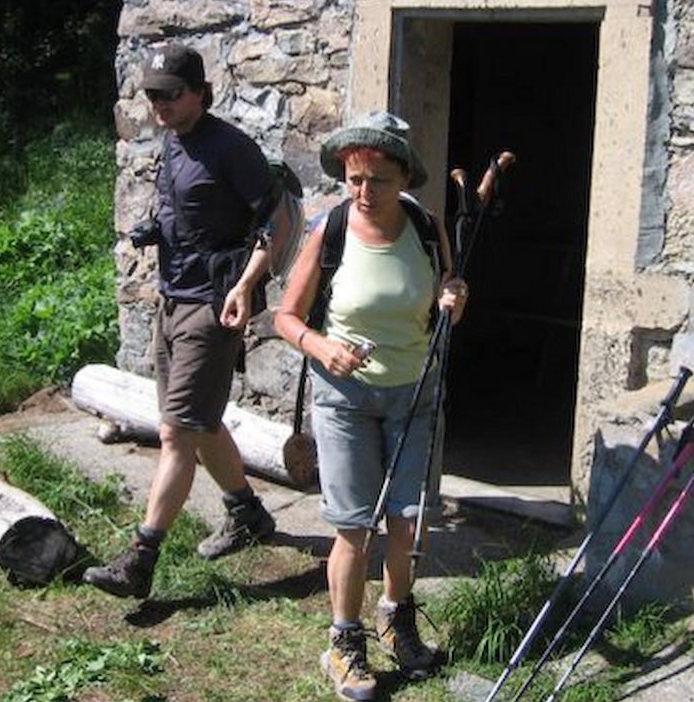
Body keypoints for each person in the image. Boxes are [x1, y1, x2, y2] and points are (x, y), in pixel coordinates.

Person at [273, 112, 468, 701]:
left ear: (404, 177)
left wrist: (454, 298)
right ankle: (343, 641)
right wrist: (322, 347)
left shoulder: (427, 228)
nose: (362, 191)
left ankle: (395, 619)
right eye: (353, 178)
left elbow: (447, 301)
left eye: (377, 180)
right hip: (346, 401)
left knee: (409, 522)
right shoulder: (330, 230)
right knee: (354, 526)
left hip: (417, 393)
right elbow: (286, 317)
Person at [83, 43, 276, 600]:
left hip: (211, 305)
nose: (159, 104)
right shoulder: (173, 143)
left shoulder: (231, 148)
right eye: (152, 95)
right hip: (171, 300)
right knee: (200, 420)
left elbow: (277, 223)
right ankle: (248, 514)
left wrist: (244, 286)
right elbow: (185, 209)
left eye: (170, 94)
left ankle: (140, 559)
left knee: (176, 433)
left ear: (200, 93)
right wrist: (155, 229)